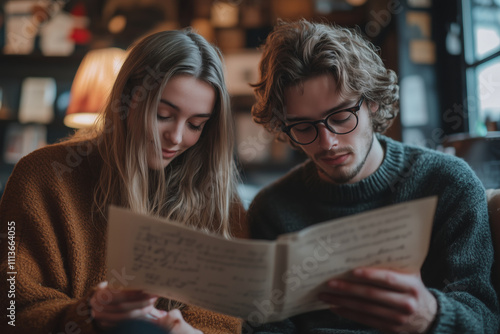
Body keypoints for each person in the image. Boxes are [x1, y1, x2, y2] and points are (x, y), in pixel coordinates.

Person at [246, 19, 499, 333]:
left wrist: (430, 315)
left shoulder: (447, 184)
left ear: (373, 103)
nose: (328, 142)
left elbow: (486, 319)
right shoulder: (272, 209)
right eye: (303, 127)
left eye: (340, 117)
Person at [0, 29, 247, 334]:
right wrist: (87, 315)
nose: (177, 137)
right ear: (128, 98)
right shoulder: (40, 176)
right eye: (163, 115)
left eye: (196, 124)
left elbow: (221, 320)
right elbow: (10, 310)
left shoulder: (217, 195)